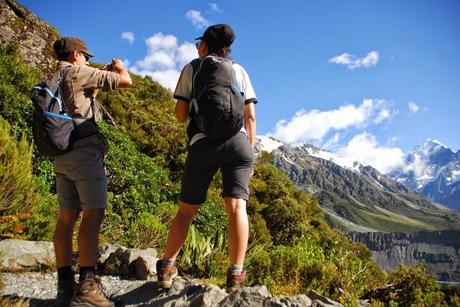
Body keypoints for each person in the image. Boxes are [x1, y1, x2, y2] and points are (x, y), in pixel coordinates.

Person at [156, 24, 257, 292]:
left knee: (187, 210)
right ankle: (235, 275)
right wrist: (251, 152)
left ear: (203, 46)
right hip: (238, 144)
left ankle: (166, 267)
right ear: (227, 48)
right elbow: (250, 117)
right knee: (237, 208)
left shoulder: (192, 68)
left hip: (203, 143)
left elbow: (179, 115)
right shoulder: (239, 70)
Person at [51, 37, 132, 307]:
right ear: (76, 54)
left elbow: (83, 101)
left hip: (61, 154)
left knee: (66, 218)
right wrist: (119, 68)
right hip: (84, 152)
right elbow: (126, 81)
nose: (87, 60)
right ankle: (87, 288)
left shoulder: (56, 77)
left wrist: (99, 80)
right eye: (86, 56)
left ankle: (65, 287)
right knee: (93, 214)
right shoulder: (78, 71)